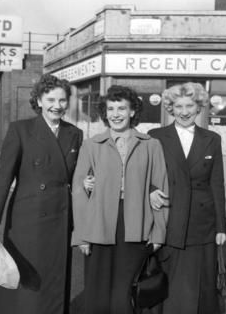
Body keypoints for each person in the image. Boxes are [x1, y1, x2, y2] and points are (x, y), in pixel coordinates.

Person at [0, 74, 83, 314]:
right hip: (28, 219)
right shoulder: (21, 130)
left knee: (53, 279)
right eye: (51, 99)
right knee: (26, 281)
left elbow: (75, 176)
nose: (57, 105)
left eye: (63, 100)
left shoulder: (75, 133)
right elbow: (4, 178)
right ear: (39, 100)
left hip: (60, 216)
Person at [72, 85, 169, 314]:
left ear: (133, 111)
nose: (116, 114)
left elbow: (161, 190)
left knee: (126, 293)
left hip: (136, 224)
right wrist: (81, 236)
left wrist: (159, 233)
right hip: (98, 224)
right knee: (96, 293)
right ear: (104, 113)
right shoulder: (91, 145)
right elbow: (78, 192)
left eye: (122, 108)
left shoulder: (151, 145)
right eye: (111, 108)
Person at [148, 82, 226, 314]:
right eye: (178, 106)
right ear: (170, 108)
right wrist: (151, 190)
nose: (184, 111)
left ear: (199, 107)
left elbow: (216, 183)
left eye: (189, 105)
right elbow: (145, 174)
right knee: (169, 287)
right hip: (169, 218)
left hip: (202, 224)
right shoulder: (156, 136)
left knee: (201, 288)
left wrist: (221, 227)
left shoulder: (212, 138)